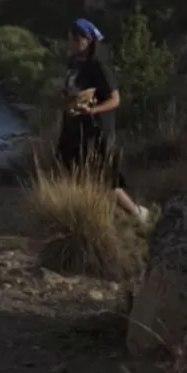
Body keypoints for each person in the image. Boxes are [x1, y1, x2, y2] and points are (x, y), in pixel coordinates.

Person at [57, 19, 150, 223]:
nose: (72, 42)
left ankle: (136, 214)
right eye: (71, 38)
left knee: (105, 178)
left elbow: (115, 99)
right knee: (71, 170)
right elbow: (72, 88)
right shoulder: (74, 62)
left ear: (88, 40)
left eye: (77, 39)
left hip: (96, 129)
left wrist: (92, 110)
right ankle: (93, 214)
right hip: (74, 126)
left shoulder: (98, 66)